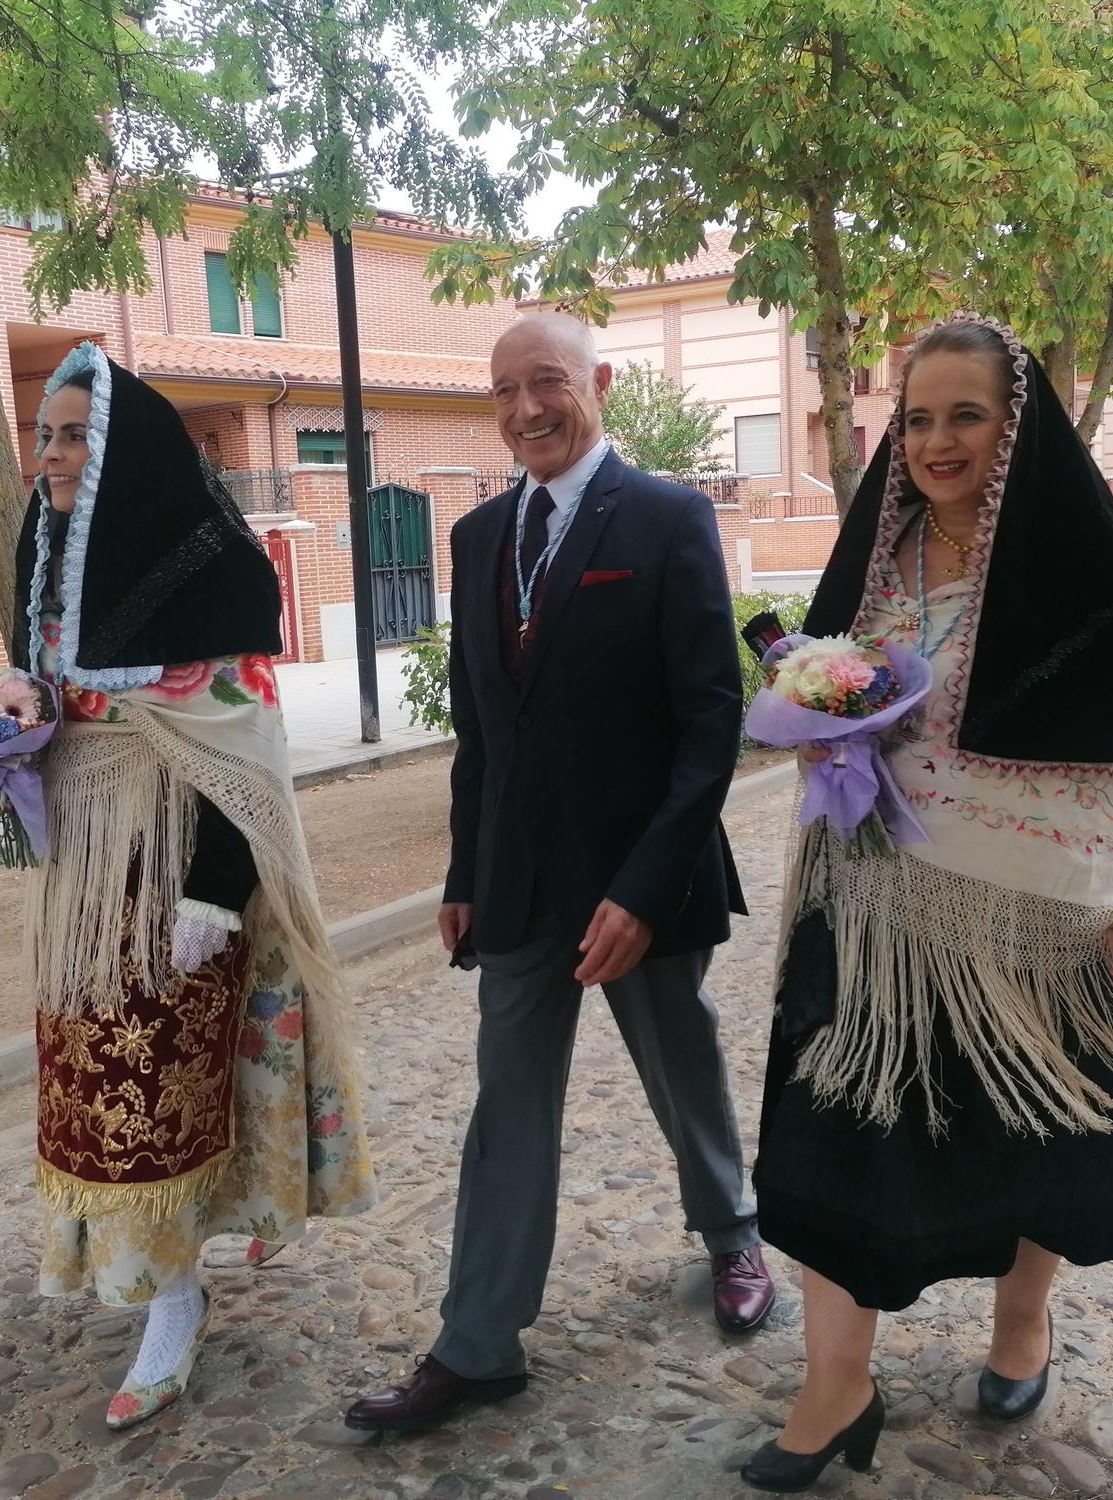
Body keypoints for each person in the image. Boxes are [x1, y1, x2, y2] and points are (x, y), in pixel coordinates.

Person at [742, 316, 1113, 1494]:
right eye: (918, 416)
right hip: (869, 904)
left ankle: (1019, 1321)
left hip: (1032, 916)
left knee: (1028, 1136)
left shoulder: (1078, 571)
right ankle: (834, 1384)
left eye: (966, 415)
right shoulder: (874, 560)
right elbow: (818, 688)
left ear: (1014, 428)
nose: (936, 440)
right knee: (830, 1143)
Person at [343, 312, 772, 1436]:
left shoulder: (670, 518)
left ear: (597, 384)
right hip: (521, 880)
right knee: (506, 1103)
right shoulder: (479, 535)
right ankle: (476, 1345)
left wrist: (641, 886)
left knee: (682, 1066)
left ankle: (731, 1234)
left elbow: (708, 720)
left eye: (545, 383)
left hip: (645, 875)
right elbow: (485, 729)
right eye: (503, 391)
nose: (525, 409)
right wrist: (461, 869)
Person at [17, 341, 375, 1430]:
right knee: (100, 1086)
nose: (54, 454)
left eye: (77, 433)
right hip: (86, 875)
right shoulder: (43, 547)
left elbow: (242, 741)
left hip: (183, 870)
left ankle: (174, 1298)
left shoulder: (208, 563)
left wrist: (214, 893)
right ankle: (167, 1287)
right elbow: (45, 702)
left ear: (127, 447)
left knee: (177, 1080)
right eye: (45, 434)